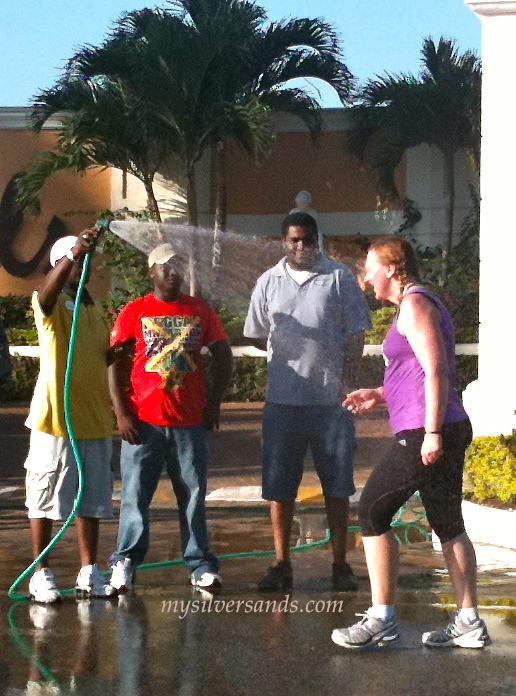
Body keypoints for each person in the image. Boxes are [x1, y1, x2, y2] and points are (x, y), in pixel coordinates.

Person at [331, 236, 490, 650]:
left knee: (371, 511)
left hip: (427, 429)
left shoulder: (416, 303)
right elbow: (416, 371)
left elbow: (437, 370)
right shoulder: (415, 304)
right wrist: (378, 393)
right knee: (447, 523)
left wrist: (432, 432)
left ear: (392, 269)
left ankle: (382, 618)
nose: (365, 279)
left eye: (369, 269)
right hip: (438, 424)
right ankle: (469, 621)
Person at [244, 212, 371, 592]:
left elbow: (357, 335)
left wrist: (344, 379)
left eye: (308, 239)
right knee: (280, 487)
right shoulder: (268, 281)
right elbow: (254, 333)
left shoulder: (339, 278)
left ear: (319, 239)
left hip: (331, 404)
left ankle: (340, 565)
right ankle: (281, 564)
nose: (301, 246)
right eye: (294, 240)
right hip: (283, 402)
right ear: (284, 242)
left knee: (337, 486)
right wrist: (284, 350)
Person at [108, 243, 233, 593]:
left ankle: (200, 564)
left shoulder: (201, 310)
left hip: (190, 423)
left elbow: (224, 357)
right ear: (152, 272)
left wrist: (215, 403)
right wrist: (121, 412)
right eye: (166, 266)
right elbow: (114, 363)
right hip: (143, 423)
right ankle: (125, 562)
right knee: (134, 497)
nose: (174, 271)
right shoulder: (134, 311)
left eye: (179, 265)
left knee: (193, 495)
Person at [24, 231, 116, 603]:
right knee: (43, 498)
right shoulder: (51, 304)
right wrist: (74, 251)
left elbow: (95, 358)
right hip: (55, 420)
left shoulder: (93, 309)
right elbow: (45, 294)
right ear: (63, 264)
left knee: (90, 500)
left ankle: (88, 571)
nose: (83, 268)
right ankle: (41, 572)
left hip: (93, 419)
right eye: (77, 261)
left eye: (85, 263)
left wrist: (115, 356)